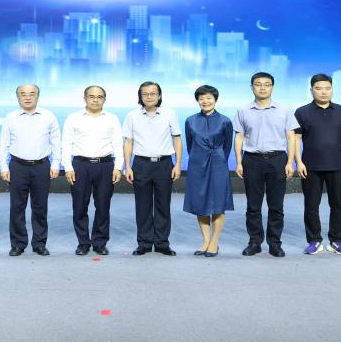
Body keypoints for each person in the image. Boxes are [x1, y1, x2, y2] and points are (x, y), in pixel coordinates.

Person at [234, 72, 298, 258]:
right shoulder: (243, 110)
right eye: (258, 84)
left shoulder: (284, 110)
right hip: (252, 160)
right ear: (251, 87)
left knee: (276, 205)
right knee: (253, 205)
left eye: (267, 84)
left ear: (272, 87)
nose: (262, 88)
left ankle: (275, 243)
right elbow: (239, 137)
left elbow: (291, 137)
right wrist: (238, 161)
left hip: (277, 160)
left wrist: (290, 162)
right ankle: (254, 242)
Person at [293, 74, 341, 256]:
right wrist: (299, 162)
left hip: (337, 166)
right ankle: (314, 240)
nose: (323, 92)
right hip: (310, 167)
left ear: (332, 89)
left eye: (327, 88)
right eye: (319, 88)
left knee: (338, 205)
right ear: (311, 90)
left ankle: (336, 241)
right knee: (311, 205)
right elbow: (296, 139)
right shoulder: (302, 112)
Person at [0, 84, 61, 257]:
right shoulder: (11, 117)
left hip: (41, 166)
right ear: (17, 97)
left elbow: (56, 141)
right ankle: (18, 244)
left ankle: (39, 243)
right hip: (17, 166)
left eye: (32, 94)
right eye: (23, 94)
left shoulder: (48, 116)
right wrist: (3, 166)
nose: (27, 97)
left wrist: (56, 164)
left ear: (38, 96)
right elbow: (4, 143)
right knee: (17, 207)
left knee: (40, 207)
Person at [61, 85, 123, 256]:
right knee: (80, 206)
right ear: (85, 98)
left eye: (99, 97)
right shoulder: (73, 118)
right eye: (92, 96)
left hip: (105, 165)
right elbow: (66, 143)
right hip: (80, 165)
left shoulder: (112, 119)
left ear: (104, 99)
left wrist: (118, 167)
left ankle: (100, 242)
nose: (95, 100)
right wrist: (68, 167)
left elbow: (118, 144)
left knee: (103, 205)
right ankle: (83, 243)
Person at [124, 81, 182, 256]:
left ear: (159, 95)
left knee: (163, 205)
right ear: (140, 96)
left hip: (164, 164)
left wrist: (177, 164)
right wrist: (128, 166)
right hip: (141, 164)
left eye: (153, 93)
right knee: (142, 206)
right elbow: (128, 142)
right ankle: (144, 243)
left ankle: (162, 243)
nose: (149, 97)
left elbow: (177, 139)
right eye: (145, 94)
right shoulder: (132, 116)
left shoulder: (170, 114)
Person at [182, 85, 234, 258]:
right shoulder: (190, 120)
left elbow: (227, 147)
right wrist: (198, 157)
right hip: (197, 163)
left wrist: (219, 159)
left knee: (218, 203)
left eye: (209, 98)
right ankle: (205, 240)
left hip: (218, 164)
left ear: (215, 100)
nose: (205, 101)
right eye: (201, 98)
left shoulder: (225, 121)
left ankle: (214, 242)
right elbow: (190, 145)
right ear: (197, 100)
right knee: (200, 202)